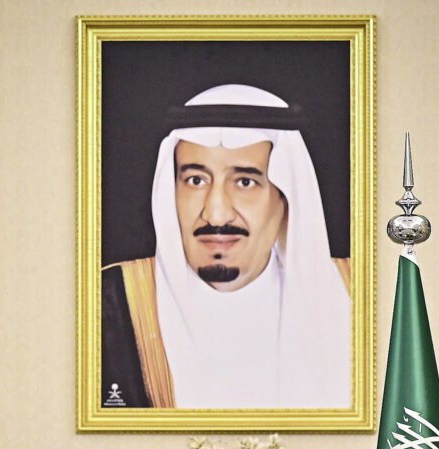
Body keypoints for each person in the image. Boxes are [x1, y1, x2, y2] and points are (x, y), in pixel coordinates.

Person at [100, 83, 352, 410]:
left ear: (285, 197)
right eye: (195, 180)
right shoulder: (108, 306)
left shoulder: (358, 297)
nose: (216, 212)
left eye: (245, 181)